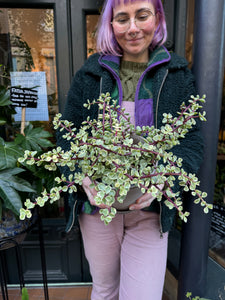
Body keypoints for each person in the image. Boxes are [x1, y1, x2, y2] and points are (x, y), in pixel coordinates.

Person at [57, 0, 204, 299]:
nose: (133, 28)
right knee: (105, 289)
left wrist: (167, 180)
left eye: (142, 15)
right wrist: (82, 176)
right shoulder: (91, 74)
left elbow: (191, 143)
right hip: (98, 209)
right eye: (122, 18)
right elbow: (66, 135)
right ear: (111, 25)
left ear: (158, 18)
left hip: (150, 211)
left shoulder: (176, 74)